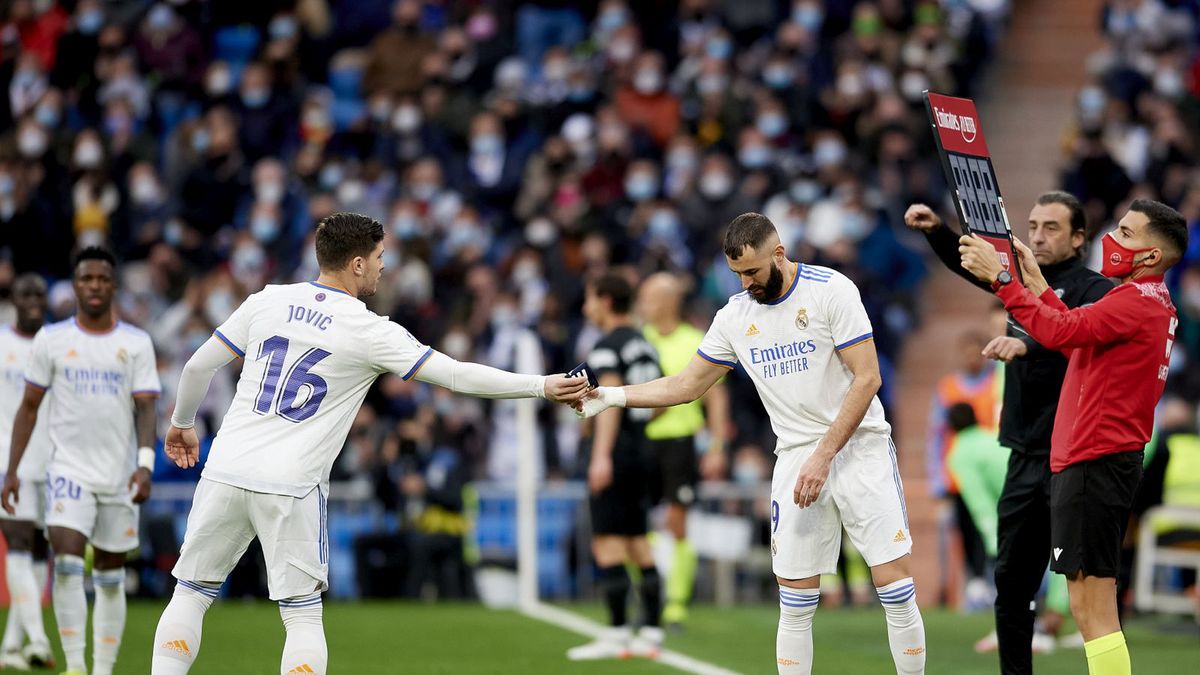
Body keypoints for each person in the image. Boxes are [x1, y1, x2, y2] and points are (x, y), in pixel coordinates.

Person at [149, 213, 588, 675]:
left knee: (192, 594)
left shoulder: (269, 300)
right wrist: (541, 385)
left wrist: (181, 422)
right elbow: (457, 375)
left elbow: (198, 367)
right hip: (291, 483)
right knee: (300, 615)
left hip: (226, 467)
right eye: (380, 257)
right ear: (357, 264)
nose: (384, 266)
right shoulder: (369, 329)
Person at [578, 213, 926, 674]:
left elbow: (868, 379)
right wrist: (611, 397)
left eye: (753, 272)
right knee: (796, 598)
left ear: (778, 253)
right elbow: (686, 385)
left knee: (893, 585)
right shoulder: (735, 315)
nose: (746, 283)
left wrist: (824, 456)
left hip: (858, 446)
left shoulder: (831, 290)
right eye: (738, 274)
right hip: (796, 455)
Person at [959, 198, 1187, 675]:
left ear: (1149, 256)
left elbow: (1060, 331)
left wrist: (1004, 282)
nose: (1112, 239)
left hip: (1092, 461)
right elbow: (1077, 328)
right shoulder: (1148, 302)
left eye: (1126, 233)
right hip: (1103, 461)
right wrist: (1037, 283)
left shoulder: (1130, 302)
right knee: (1092, 605)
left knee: (1092, 610)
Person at [906, 192, 1112, 674]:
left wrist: (1027, 346)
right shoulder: (1015, 279)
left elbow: (1073, 340)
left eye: (1052, 228)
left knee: (1086, 589)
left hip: (1072, 457)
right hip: (1022, 454)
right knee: (1012, 586)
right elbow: (971, 269)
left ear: (1080, 238)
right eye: (1034, 225)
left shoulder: (1095, 291)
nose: (1038, 235)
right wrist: (938, 230)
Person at [3, 248, 161, 675]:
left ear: (113, 285)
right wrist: (12, 469)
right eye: (86, 278)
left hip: (119, 474)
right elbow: (29, 406)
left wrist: (145, 465)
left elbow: (146, 408)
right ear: (75, 286)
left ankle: (102, 669)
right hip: (66, 471)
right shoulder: (52, 341)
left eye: (102, 279)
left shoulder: (135, 343)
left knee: (110, 576)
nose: (94, 286)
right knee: (68, 561)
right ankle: (75, 666)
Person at [569, 272, 666, 661]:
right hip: (643, 451)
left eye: (590, 298)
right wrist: (636, 431)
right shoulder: (645, 344)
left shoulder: (607, 346)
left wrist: (601, 454)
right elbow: (659, 400)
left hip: (616, 453)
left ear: (607, 301)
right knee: (638, 542)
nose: (585, 307)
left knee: (608, 541)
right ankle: (653, 632)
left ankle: (615, 633)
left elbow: (606, 402)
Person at [637, 271, 731, 630]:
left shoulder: (696, 340)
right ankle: (649, 597)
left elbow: (717, 398)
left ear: (666, 302)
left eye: (647, 297)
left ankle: (674, 605)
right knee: (638, 523)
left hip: (680, 441)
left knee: (677, 523)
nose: (641, 304)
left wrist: (717, 447)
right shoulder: (638, 341)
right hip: (642, 442)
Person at [0, 274, 53, 669]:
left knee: (38, 548)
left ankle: (11, 645)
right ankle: (38, 640)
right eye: (25, 294)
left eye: (39, 294)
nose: (33, 300)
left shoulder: (56, 344)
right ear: (13, 299)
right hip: (7, 459)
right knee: (17, 539)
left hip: (51, 460)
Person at [926, 330, 995, 609]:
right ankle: (976, 582)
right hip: (960, 474)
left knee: (992, 526)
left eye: (975, 351)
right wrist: (937, 476)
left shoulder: (998, 383)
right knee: (966, 528)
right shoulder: (948, 388)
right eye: (965, 351)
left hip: (991, 470)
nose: (971, 357)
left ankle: (991, 581)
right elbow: (936, 435)